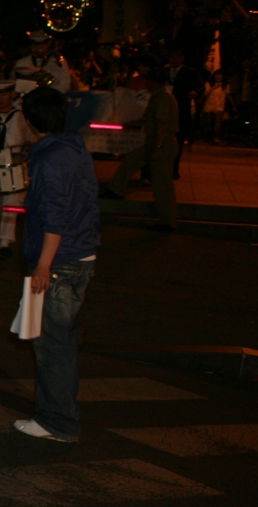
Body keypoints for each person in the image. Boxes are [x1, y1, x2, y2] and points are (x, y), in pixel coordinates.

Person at [13, 87, 100, 442]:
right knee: (61, 342)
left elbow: (55, 216)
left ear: (30, 121)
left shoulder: (49, 158)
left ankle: (57, 421)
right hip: (82, 255)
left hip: (61, 261)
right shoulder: (75, 149)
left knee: (52, 345)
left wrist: (43, 265)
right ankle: (61, 412)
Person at [102, 67, 178, 231]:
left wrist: (158, 147)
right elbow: (149, 121)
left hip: (161, 143)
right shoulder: (159, 97)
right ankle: (116, 189)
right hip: (154, 142)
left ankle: (167, 221)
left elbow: (161, 124)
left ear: (151, 82)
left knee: (161, 182)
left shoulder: (163, 98)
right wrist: (128, 125)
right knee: (131, 161)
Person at [0, 80, 35, 260]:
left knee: (11, 201)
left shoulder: (21, 116)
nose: (0, 98)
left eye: (4, 94)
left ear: (12, 94)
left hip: (14, 162)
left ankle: (5, 240)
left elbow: (31, 136)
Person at [165, 48, 204, 178]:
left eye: (177, 57)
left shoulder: (190, 72)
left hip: (182, 110)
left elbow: (200, 86)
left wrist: (195, 92)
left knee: (178, 141)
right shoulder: (163, 72)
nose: (174, 59)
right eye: (172, 57)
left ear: (182, 58)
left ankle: (173, 169)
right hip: (164, 109)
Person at [201, 71, 230, 143]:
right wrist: (213, 87)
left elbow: (228, 96)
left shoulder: (225, 85)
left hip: (220, 106)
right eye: (217, 75)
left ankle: (216, 137)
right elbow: (205, 94)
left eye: (220, 75)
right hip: (209, 105)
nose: (218, 77)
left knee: (218, 122)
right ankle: (208, 137)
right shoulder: (208, 84)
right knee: (209, 123)